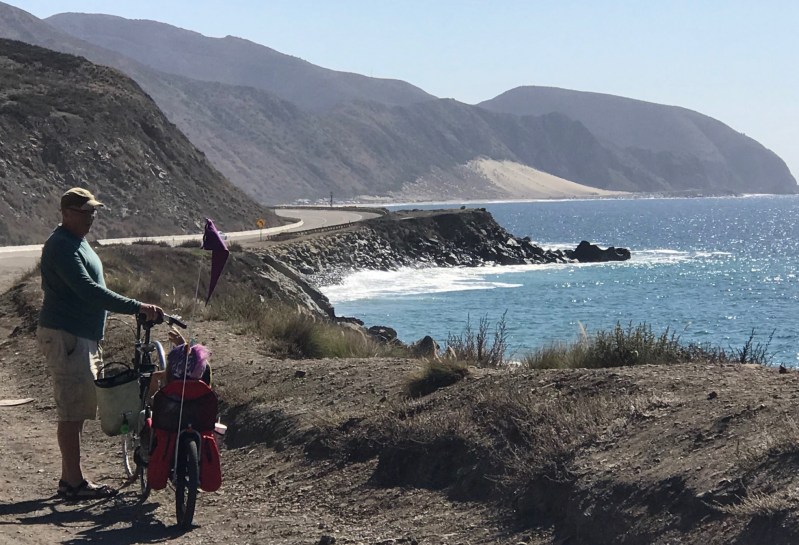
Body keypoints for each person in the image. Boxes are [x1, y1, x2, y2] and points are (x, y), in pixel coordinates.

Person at [36, 187, 163, 500]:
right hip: (67, 336)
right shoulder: (62, 246)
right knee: (71, 410)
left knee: (78, 408)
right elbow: (87, 290)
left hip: (79, 335)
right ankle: (72, 483)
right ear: (66, 214)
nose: (91, 217)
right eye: (85, 212)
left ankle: (72, 479)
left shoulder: (76, 241)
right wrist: (136, 306)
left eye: (93, 211)